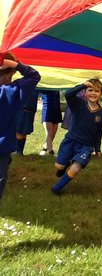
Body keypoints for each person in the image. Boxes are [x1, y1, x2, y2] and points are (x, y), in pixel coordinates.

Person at [51, 78, 102, 195]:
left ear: (101, 93)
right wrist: (82, 85)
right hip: (70, 140)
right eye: (90, 90)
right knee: (59, 166)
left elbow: (99, 132)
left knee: (75, 168)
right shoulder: (78, 104)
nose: (93, 93)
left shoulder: (101, 113)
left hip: (86, 146)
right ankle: (63, 166)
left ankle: (57, 188)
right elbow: (68, 94)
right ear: (85, 93)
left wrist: (97, 148)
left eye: (96, 91)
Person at [0, 52, 41, 200]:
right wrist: (14, 64)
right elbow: (34, 76)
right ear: (9, 73)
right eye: (11, 76)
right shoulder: (8, 93)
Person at [15, 90, 39, 155]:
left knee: (23, 131)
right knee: (19, 130)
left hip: (28, 107)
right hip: (23, 107)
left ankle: (19, 151)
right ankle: (18, 151)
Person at [39, 90, 62, 155]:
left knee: (53, 133)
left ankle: (45, 147)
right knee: (49, 132)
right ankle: (51, 151)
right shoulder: (45, 88)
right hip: (47, 110)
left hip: (57, 110)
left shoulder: (57, 87)